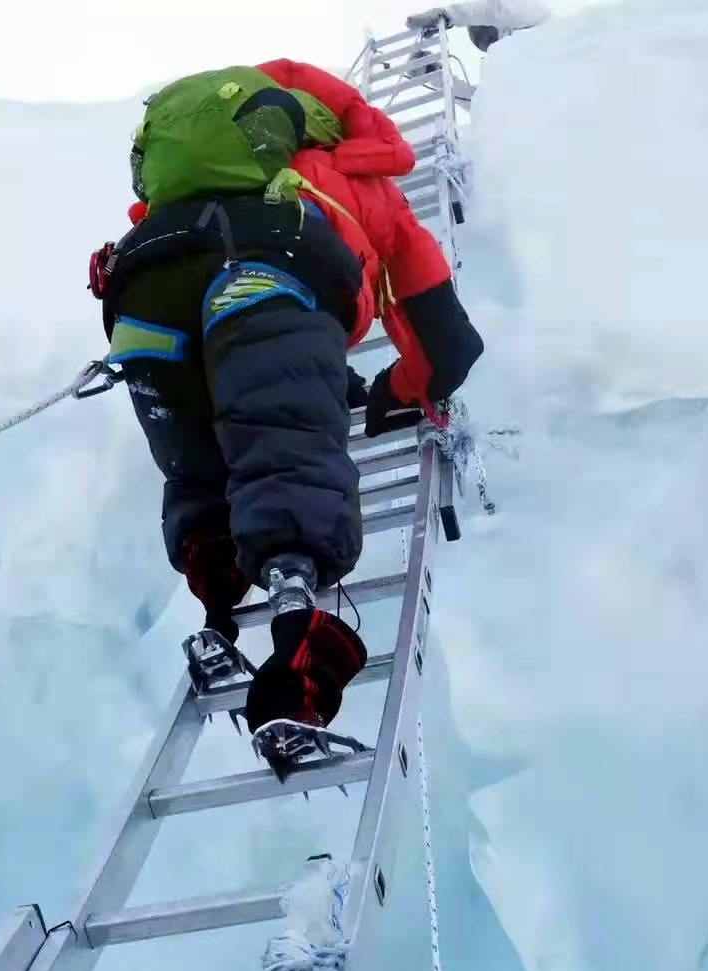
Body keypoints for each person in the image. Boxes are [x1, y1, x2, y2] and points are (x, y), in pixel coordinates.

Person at [88, 59, 483, 774]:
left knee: (201, 460)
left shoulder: (208, 173)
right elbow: (445, 342)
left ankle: (216, 611)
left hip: (143, 286)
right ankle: (299, 677)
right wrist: (398, 391)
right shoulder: (365, 186)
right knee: (284, 455)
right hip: (270, 273)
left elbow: (177, 247)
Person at [406, 0, 550, 51]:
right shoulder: (504, 65)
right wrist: (431, 72)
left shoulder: (533, 15)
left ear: (495, 25)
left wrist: (448, 15)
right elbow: (475, 99)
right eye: (483, 46)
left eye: (488, 38)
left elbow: (494, 10)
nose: (490, 45)